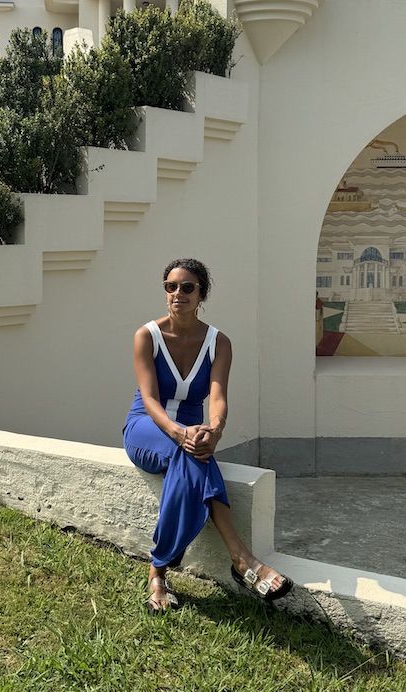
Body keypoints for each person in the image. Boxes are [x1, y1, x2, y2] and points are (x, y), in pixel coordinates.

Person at [123, 258, 293, 611]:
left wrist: (215, 429)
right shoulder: (146, 336)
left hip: (194, 432)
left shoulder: (219, 342)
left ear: (202, 294)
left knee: (196, 456)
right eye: (171, 286)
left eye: (187, 287)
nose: (178, 293)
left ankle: (161, 574)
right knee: (192, 454)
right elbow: (150, 399)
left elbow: (218, 398)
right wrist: (177, 432)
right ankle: (237, 557)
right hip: (147, 426)